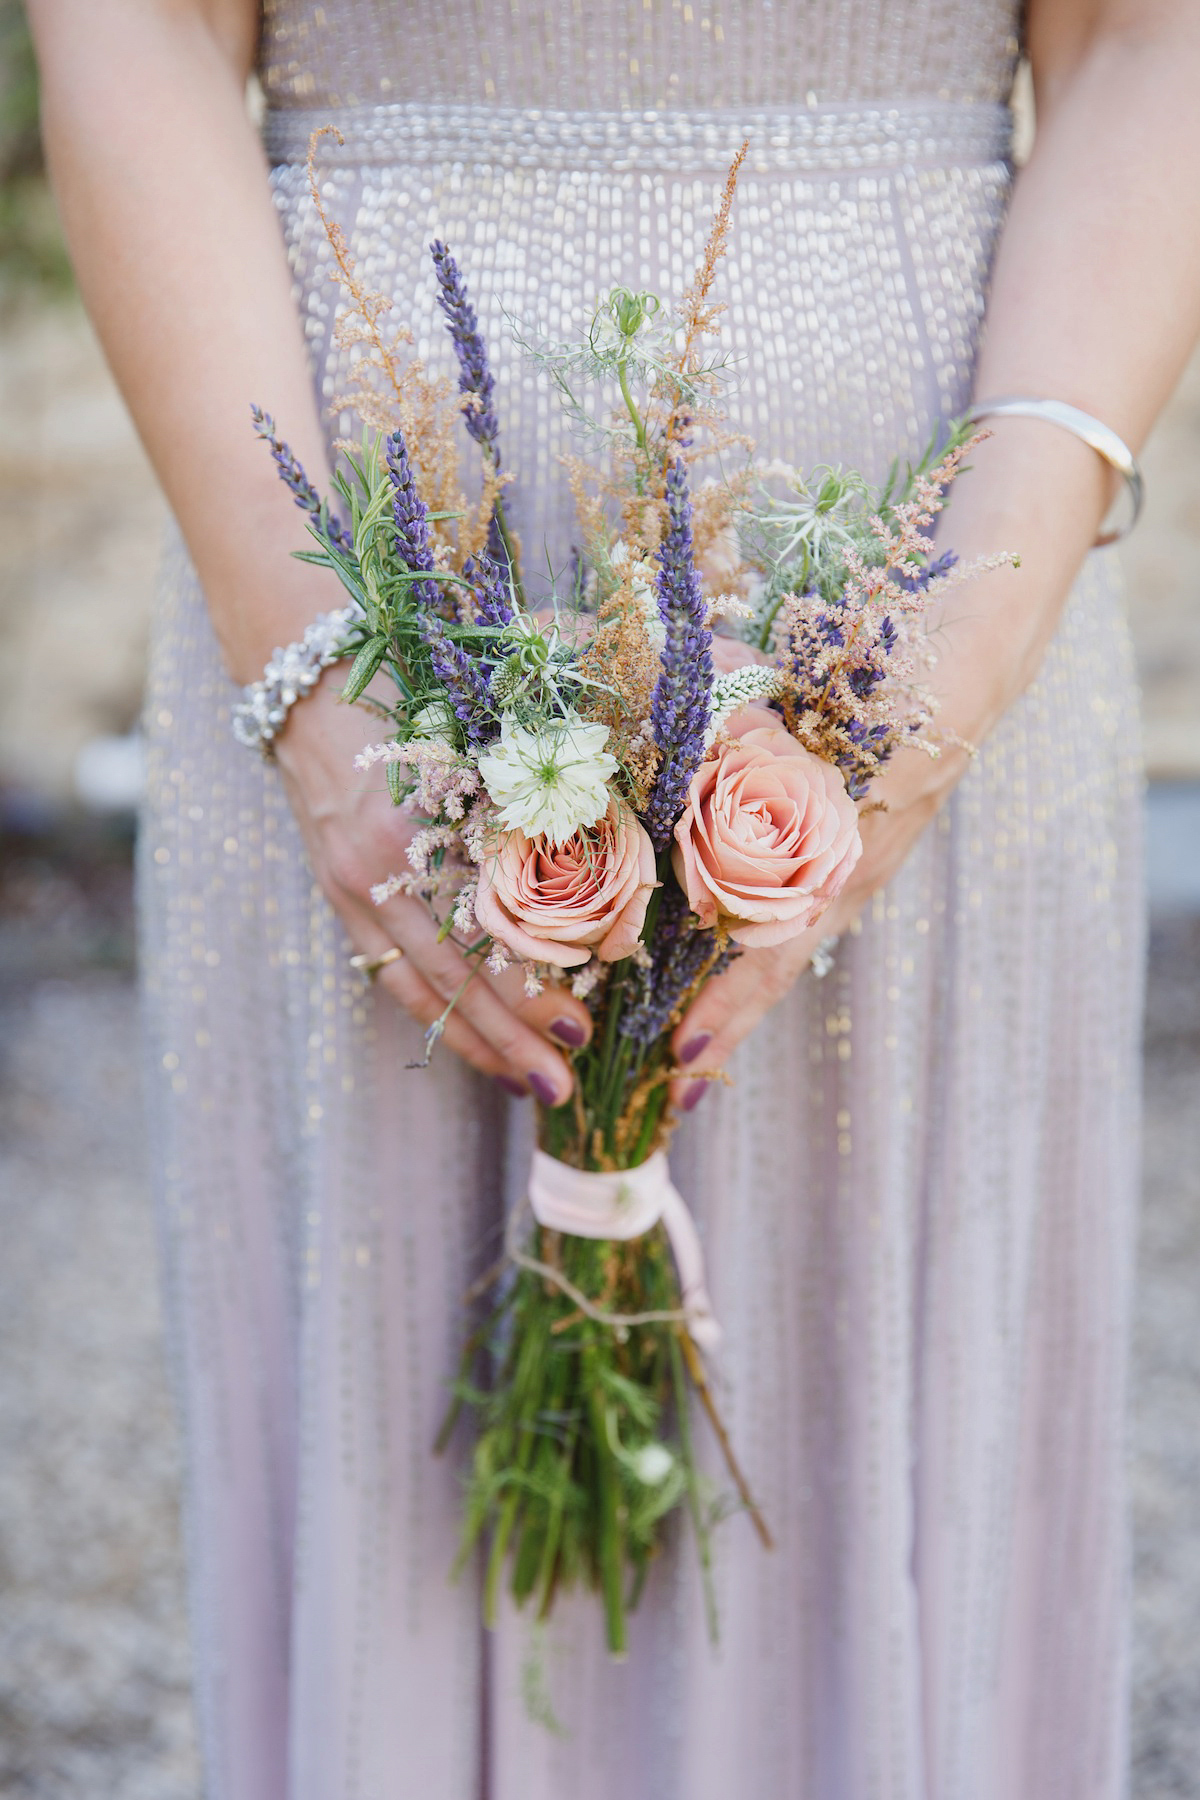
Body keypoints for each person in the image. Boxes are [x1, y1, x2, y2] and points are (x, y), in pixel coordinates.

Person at [27, 1, 1200, 1795]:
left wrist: (958, 650)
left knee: (895, 1468)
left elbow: (1145, 47)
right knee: (390, 1483)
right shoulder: (336, 702)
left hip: (925, 592)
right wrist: (321, 686)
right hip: (353, 617)